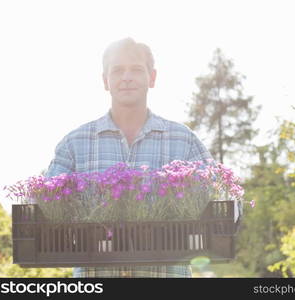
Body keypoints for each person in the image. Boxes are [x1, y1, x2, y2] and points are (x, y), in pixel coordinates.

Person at [45, 37, 213, 278]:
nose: (126, 77)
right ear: (106, 81)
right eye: (117, 70)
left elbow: (213, 199)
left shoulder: (183, 139)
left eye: (136, 69)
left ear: (152, 78)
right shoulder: (75, 143)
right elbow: (48, 207)